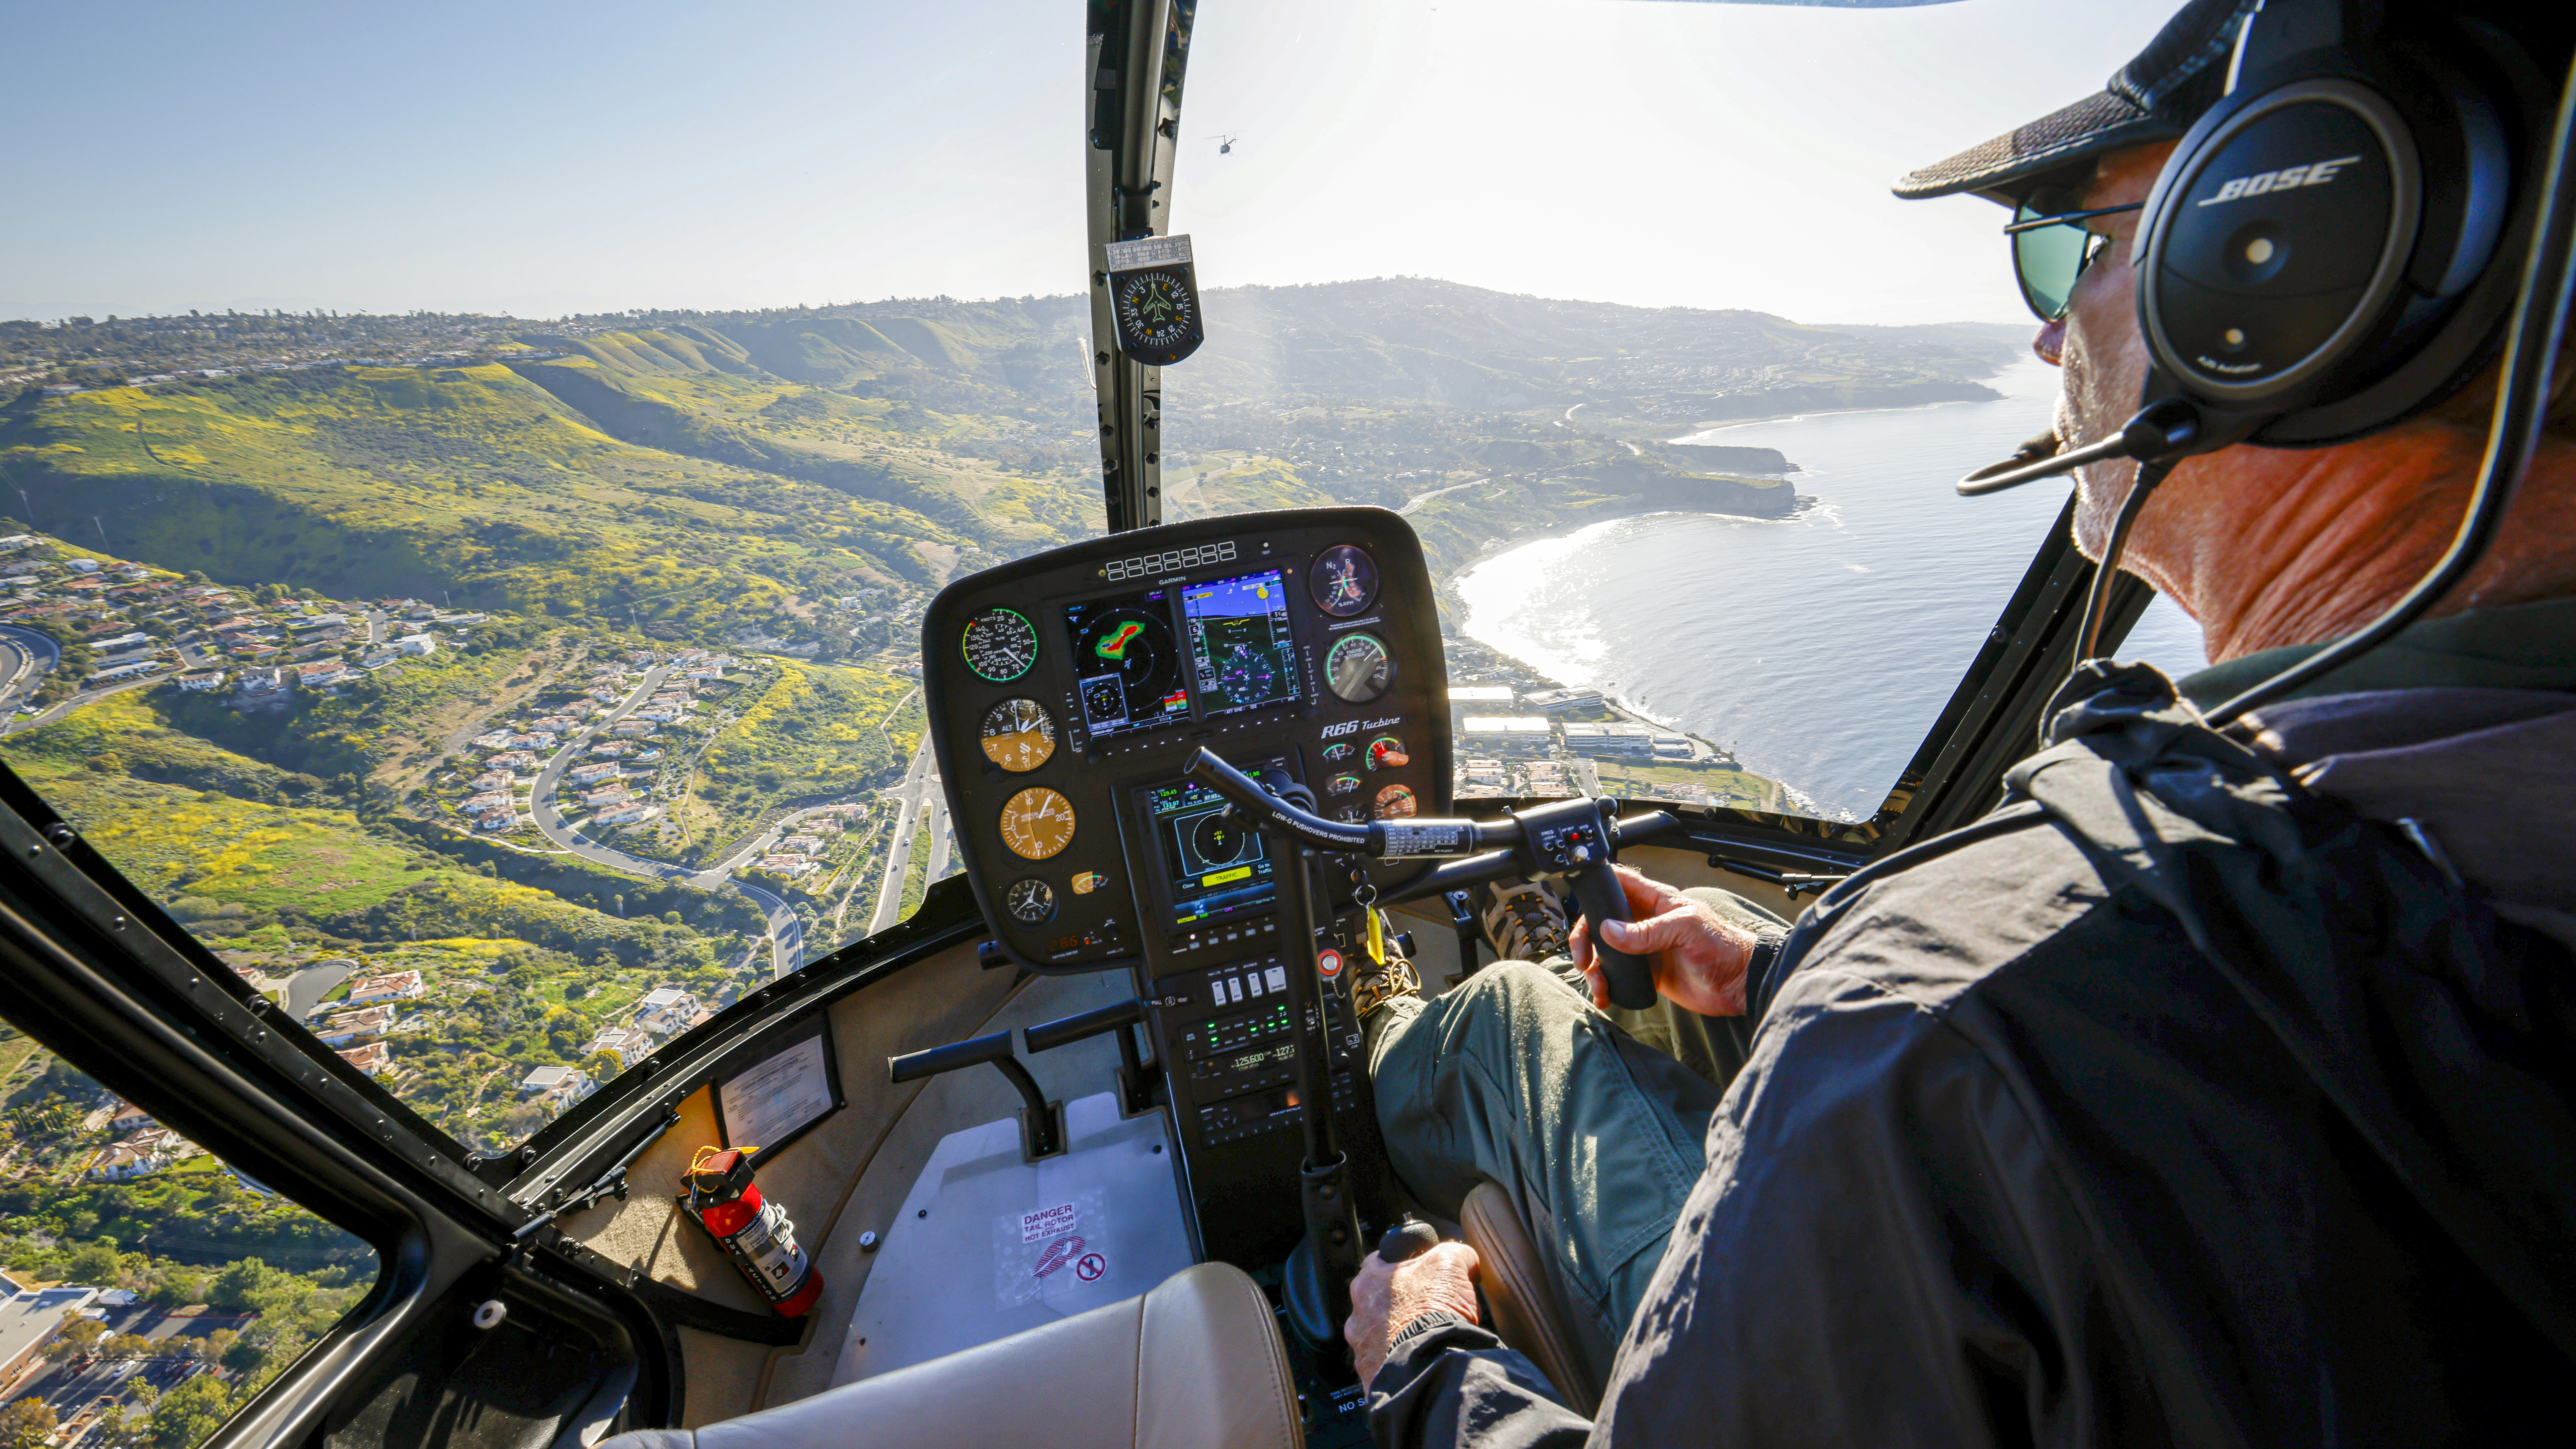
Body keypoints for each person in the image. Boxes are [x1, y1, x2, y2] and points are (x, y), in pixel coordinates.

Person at [1340, 1, 2576, 1443]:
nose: (2051, 328)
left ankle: (1373, 1033)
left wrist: (1427, 1372)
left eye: (2075, 248)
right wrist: (1784, 971)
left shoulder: (1961, 1007)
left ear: (2293, 261)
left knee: (1507, 1017)